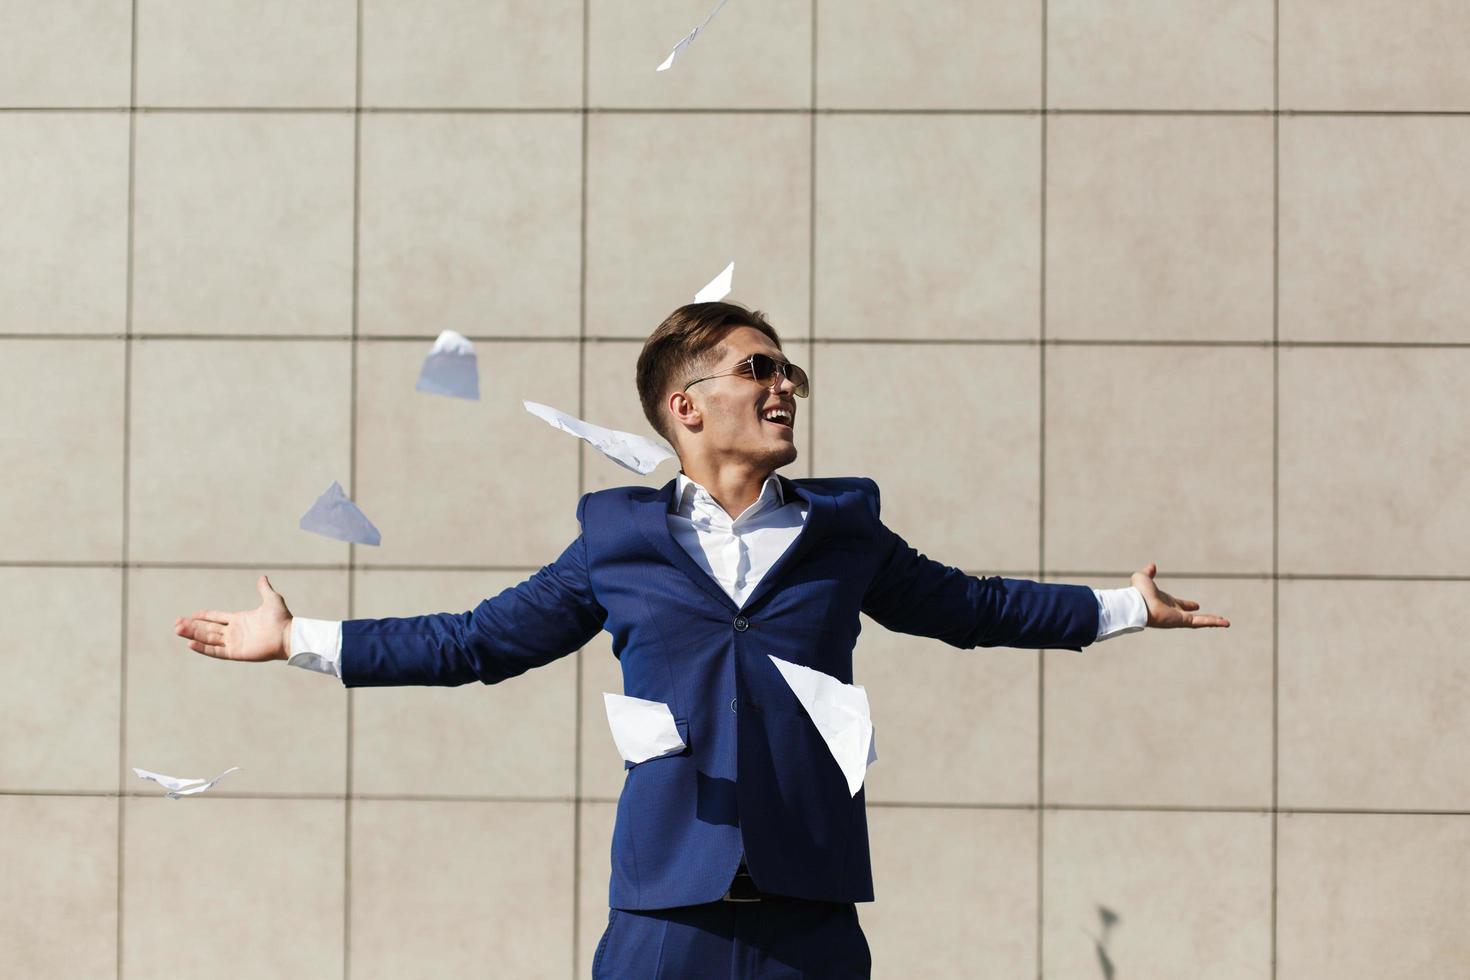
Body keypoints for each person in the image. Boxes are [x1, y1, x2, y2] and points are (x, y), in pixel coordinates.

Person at [174, 302, 1228, 978]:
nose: (783, 388)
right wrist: (301, 637)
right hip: (665, 906)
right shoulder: (615, 536)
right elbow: (479, 640)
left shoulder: (842, 528)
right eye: (757, 368)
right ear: (686, 405)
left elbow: (974, 607)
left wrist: (1125, 605)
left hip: (809, 907)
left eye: (788, 375)